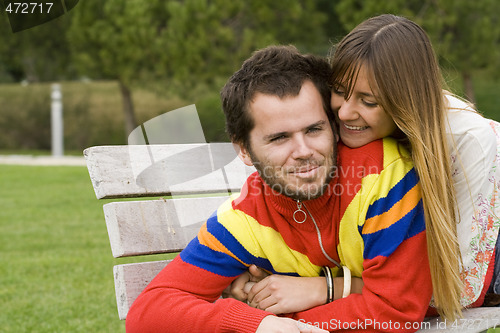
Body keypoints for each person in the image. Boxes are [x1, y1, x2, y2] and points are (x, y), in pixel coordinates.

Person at [125, 45, 432, 332]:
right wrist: (258, 325)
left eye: (314, 129)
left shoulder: (381, 174)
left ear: (332, 124)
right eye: (279, 138)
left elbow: (396, 312)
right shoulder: (244, 219)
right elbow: (148, 313)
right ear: (243, 150)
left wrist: (283, 319)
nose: (303, 150)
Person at [234, 14, 500, 322]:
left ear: (404, 99)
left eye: (369, 102)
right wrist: (247, 266)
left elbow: (460, 290)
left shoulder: (468, 141)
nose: (346, 112)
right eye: (339, 90)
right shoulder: (341, 124)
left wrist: (327, 288)